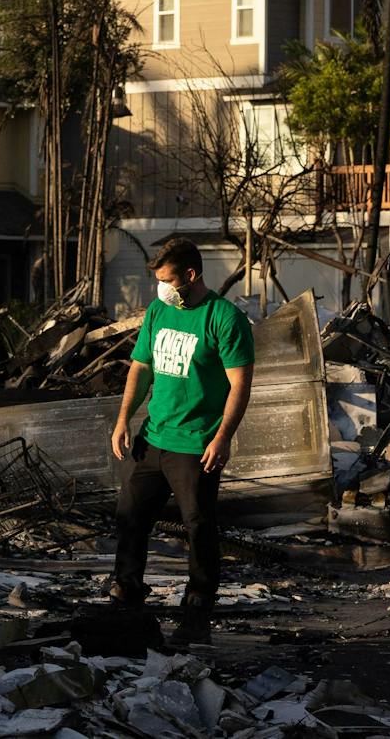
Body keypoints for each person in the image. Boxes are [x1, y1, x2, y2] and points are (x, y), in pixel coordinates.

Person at [109, 236, 254, 647]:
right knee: (130, 518)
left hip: (196, 444)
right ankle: (127, 597)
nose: (162, 288)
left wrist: (223, 437)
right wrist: (124, 420)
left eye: (168, 280)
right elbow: (140, 369)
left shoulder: (224, 318)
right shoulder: (158, 311)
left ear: (190, 275)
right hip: (153, 437)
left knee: (199, 528)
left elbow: (239, 386)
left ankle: (197, 610)